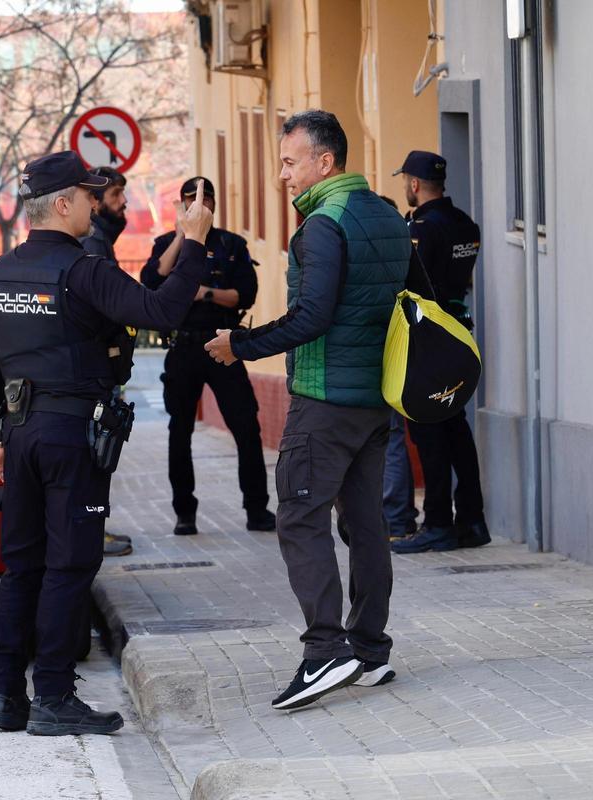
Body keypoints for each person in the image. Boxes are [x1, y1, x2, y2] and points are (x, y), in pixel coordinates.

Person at [0, 151, 212, 736]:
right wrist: (194, 242)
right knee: (70, 564)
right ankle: (52, 696)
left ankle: (5, 696)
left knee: (20, 565)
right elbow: (162, 312)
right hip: (71, 435)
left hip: (22, 434)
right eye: (87, 195)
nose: (93, 206)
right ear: (62, 203)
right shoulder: (84, 271)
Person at [206, 110, 409, 709]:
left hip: (324, 399)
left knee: (298, 517)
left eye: (291, 162)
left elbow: (312, 317)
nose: (282, 175)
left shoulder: (322, 224)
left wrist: (237, 345)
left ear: (326, 162)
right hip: (375, 398)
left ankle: (326, 651)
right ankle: (370, 652)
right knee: (367, 524)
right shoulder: (387, 215)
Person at [141, 177, 274, 536]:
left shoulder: (231, 245)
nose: (200, 206)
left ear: (215, 203)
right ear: (181, 205)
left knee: (246, 427)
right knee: (179, 430)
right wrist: (185, 235)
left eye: (206, 200)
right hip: (183, 347)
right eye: (190, 200)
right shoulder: (167, 244)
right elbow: (152, 280)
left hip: (223, 345)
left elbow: (244, 294)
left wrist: (206, 294)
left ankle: (257, 509)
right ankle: (184, 513)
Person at [389, 150, 491, 554]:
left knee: (428, 428)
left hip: (429, 338)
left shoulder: (420, 228)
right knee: (456, 429)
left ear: (414, 184)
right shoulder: (465, 223)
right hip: (458, 332)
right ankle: (472, 519)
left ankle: (437, 524)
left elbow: (412, 282)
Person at [80, 166, 135, 558]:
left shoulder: (101, 239)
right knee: (97, 452)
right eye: (117, 195)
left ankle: (96, 527)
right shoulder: (94, 244)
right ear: (96, 201)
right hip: (97, 367)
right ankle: (92, 530)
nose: (124, 202)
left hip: (102, 364)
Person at [377, 195, 420, 545]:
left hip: (385, 352)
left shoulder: (376, 255)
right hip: (401, 350)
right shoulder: (403, 251)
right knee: (392, 436)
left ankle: (395, 518)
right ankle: (398, 517)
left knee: (390, 437)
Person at [81, 166, 128, 261]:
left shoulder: (99, 236)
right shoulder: (93, 241)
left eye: (122, 192)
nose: (124, 200)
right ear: (94, 200)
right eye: (115, 193)